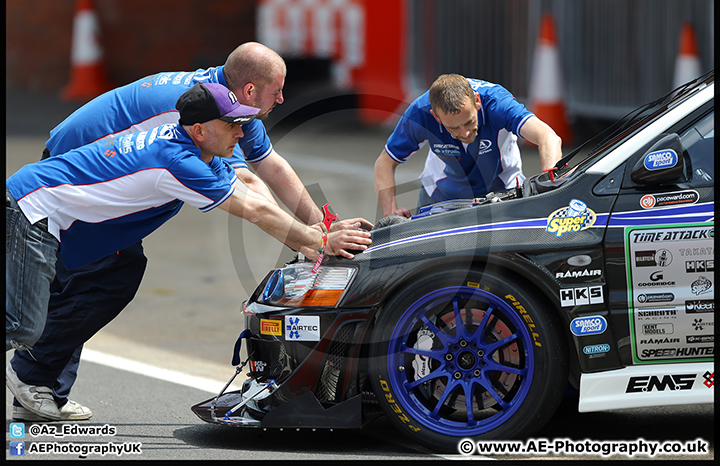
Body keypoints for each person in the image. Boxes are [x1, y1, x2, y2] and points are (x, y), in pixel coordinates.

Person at [5, 82, 373, 421]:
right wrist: (322, 245)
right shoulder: (179, 163)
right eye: (232, 126)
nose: (241, 133)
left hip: (40, 212)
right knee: (23, 324)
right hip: (29, 210)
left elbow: (247, 185)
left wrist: (315, 233)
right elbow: (256, 211)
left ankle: (36, 384)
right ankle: (32, 382)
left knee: (37, 313)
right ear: (201, 130)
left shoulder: (191, 145)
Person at [374, 73, 563, 218]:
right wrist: (391, 215)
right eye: (453, 128)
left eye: (469, 122)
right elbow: (384, 163)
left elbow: (548, 137)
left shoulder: (497, 103)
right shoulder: (419, 113)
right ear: (435, 117)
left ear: (477, 102)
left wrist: (551, 189)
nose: (464, 133)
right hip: (441, 195)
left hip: (502, 192)